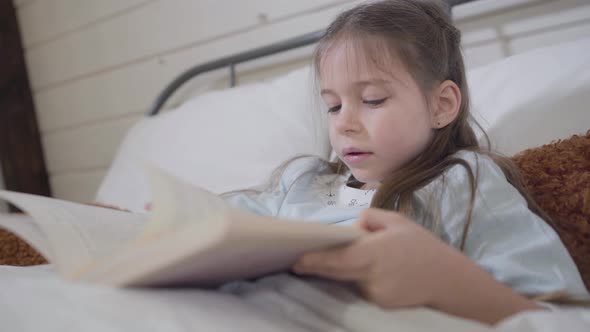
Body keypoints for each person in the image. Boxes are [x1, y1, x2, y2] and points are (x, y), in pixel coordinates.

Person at [219, 0, 589, 325]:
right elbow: (208, 223)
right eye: (333, 106)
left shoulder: (462, 181)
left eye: (374, 99)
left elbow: (566, 320)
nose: (344, 123)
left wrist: (441, 279)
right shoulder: (302, 181)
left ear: (441, 105)